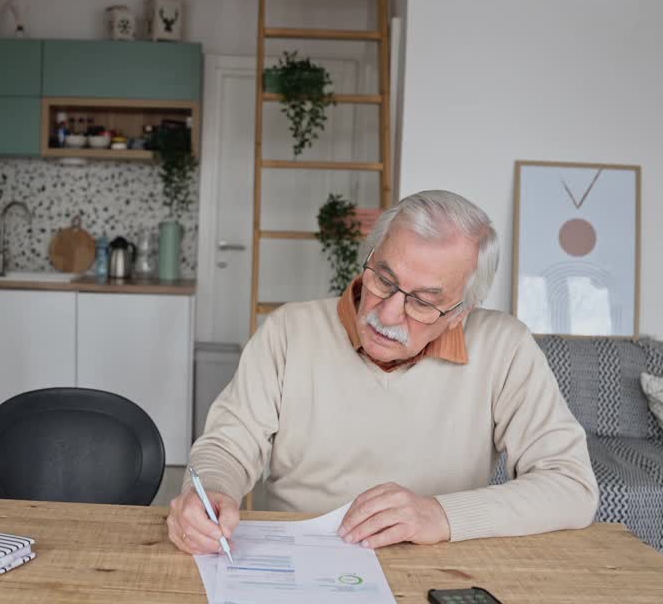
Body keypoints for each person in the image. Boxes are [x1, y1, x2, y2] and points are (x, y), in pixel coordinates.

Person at [168, 190, 598, 553]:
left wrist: (441, 515)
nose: (388, 313)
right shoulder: (289, 330)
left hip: (438, 564)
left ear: (461, 312)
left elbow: (571, 487)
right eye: (384, 281)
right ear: (370, 258)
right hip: (293, 558)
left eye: (423, 302)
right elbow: (228, 444)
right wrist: (209, 492)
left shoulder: (505, 347)